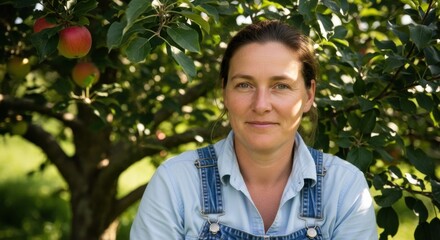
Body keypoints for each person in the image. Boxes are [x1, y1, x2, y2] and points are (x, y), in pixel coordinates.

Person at [130, 20, 378, 240]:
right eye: (244, 85)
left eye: (280, 85)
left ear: (308, 95)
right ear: (225, 92)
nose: (261, 105)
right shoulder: (176, 184)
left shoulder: (345, 188)